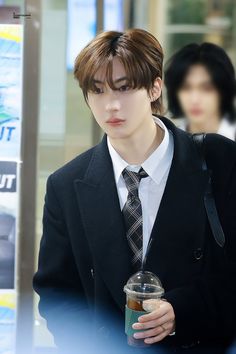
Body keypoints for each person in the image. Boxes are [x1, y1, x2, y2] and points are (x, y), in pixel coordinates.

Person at [33, 29, 236, 354]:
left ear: (155, 86)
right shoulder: (66, 186)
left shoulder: (220, 162)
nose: (110, 105)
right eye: (97, 90)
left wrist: (182, 311)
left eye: (125, 87)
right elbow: (58, 295)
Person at [164, 43, 236, 140]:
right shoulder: (169, 143)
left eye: (206, 88)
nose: (194, 99)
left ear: (223, 90)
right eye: (186, 88)